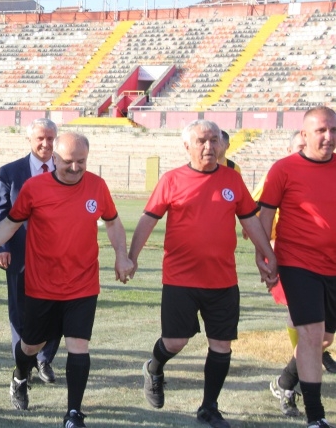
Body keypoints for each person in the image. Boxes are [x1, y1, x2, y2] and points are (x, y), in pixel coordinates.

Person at [128, 119, 277, 428]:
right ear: (187, 146)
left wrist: (268, 255)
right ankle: (154, 367)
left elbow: (250, 220)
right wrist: (130, 257)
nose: (208, 146)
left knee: (221, 345)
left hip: (223, 280)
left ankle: (209, 407)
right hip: (180, 279)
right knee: (175, 342)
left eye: (213, 141)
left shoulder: (232, 181)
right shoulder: (172, 180)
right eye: (201, 141)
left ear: (222, 145)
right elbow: (148, 219)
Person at [0, 132, 133, 428]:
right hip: (41, 284)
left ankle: (73, 413)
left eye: (81, 161)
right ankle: (20, 376)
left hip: (83, 284)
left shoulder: (97, 186)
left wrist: (121, 255)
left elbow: (112, 222)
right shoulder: (34, 188)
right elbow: (10, 223)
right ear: (54, 158)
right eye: (68, 162)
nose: (75, 168)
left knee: (78, 346)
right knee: (31, 345)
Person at [258, 106, 336, 428]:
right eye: (321, 130)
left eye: (333, 130)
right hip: (297, 262)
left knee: (323, 338)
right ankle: (315, 417)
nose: (329, 136)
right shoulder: (284, 169)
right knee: (310, 333)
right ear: (304, 135)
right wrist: (264, 254)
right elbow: (263, 216)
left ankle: (285, 382)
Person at [0, 118, 62, 384]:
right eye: (40, 138)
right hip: (20, 253)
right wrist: (1, 246)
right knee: (20, 310)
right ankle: (23, 363)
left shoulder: (65, 168)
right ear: (30, 140)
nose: (46, 144)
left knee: (56, 308)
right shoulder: (10, 172)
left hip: (58, 254)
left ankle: (45, 360)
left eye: (51, 138)